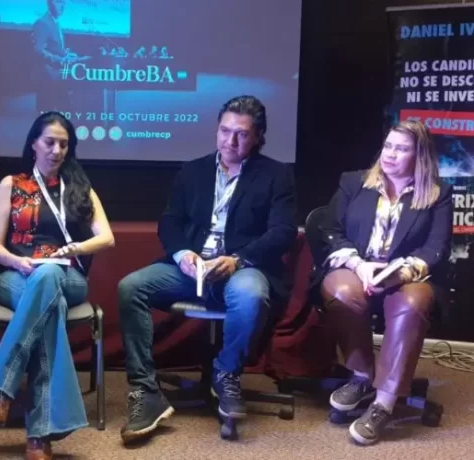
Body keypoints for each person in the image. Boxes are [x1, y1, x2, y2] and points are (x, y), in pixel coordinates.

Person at [117, 95, 297, 442]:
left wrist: (237, 259)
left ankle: (226, 372)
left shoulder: (276, 175)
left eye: (241, 134)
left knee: (250, 294)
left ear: (258, 137)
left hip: (240, 267)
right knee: (131, 287)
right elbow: (170, 221)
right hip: (192, 268)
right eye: (225, 131)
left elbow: (282, 232)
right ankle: (145, 390)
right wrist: (183, 254)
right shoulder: (193, 170)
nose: (231, 141)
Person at [0, 111, 114, 459]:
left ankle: (1, 384)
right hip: (17, 275)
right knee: (49, 309)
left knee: (50, 276)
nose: (56, 150)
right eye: (49, 142)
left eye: (63, 144)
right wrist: (16, 261)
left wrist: (76, 248)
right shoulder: (11, 184)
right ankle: (39, 434)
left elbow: (107, 238)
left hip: (69, 277)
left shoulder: (80, 188)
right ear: (34, 144)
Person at [315, 119, 452, 445]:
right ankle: (362, 375)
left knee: (412, 303)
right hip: (358, 267)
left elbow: (435, 248)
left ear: (419, 156)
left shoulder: (438, 193)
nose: (390, 154)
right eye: (388, 146)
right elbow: (330, 229)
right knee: (341, 291)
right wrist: (358, 264)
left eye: (401, 149)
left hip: (406, 275)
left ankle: (384, 403)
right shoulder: (354, 182)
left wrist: (399, 273)